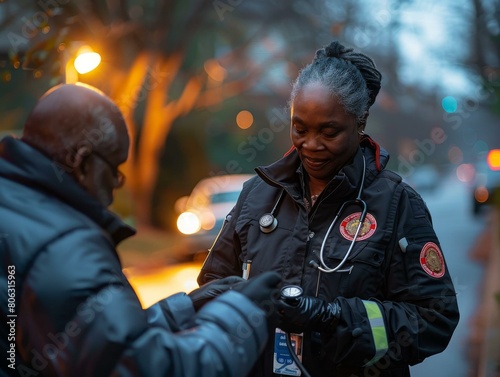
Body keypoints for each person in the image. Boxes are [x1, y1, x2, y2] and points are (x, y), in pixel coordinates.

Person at [198, 40, 460, 376]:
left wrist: (332, 316)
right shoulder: (256, 195)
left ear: (360, 122)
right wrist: (247, 305)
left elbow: (435, 318)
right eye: (300, 128)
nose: (311, 144)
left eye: (329, 131)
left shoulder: (398, 204)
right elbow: (210, 289)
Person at [0, 83, 282, 377]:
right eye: (114, 171)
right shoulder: (64, 248)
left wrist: (186, 309)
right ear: (80, 161)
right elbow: (147, 369)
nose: (115, 188)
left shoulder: (16, 209)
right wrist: (242, 311)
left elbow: (97, 345)